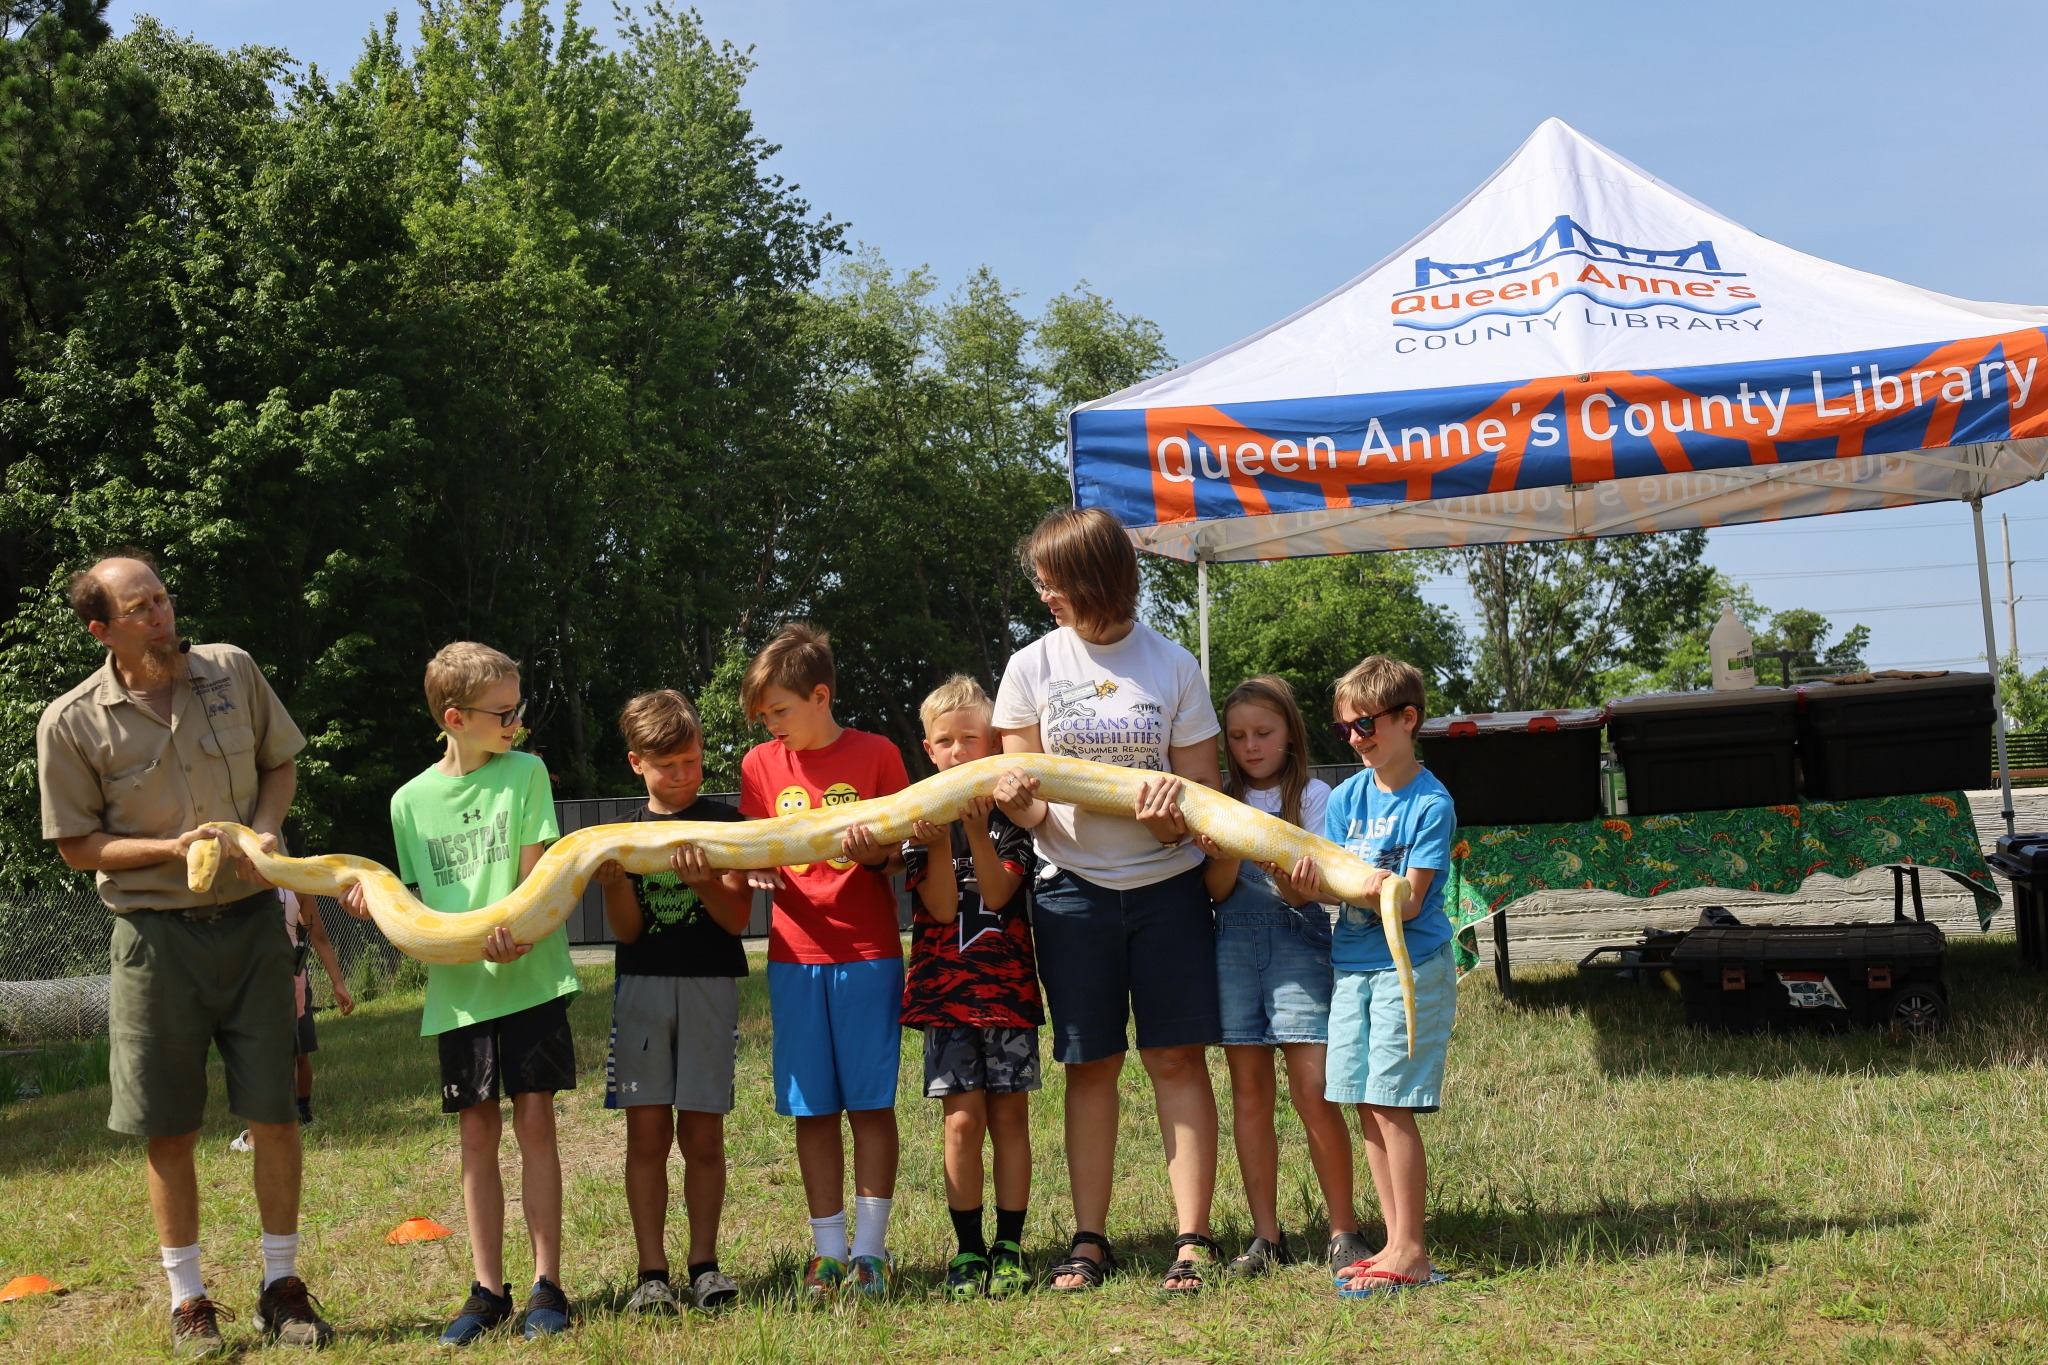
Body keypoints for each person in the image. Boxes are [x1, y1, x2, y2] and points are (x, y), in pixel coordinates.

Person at [35, 552, 333, 1354]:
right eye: (142, 607)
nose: (164, 614)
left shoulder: (230, 670)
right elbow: (76, 845)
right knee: (168, 1127)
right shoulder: (71, 721)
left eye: (163, 598)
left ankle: (282, 1285)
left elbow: (280, 762)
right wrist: (169, 848)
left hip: (251, 925)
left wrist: (266, 828)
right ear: (102, 628)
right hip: (154, 939)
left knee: (275, 1111)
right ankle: (189, 1301)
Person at [989, 507, 1226, 1294]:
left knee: (1174, 1058)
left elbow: (1206, 799)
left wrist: (1170, 828)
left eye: (1051, 579)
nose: (1043, 593)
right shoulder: (1030, 666)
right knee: (1090, 1063)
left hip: (1168, 891)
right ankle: (1089, 1238)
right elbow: (1026, 802)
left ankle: (1192, 1239)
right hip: (1071, 894)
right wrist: (1019, 799)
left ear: (1093, 576)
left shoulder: (1173, 667)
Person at [341, 642, 579, 1343]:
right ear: (454, 716)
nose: (517, 722)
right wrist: (371, 907)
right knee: (477, 1134)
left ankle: (547, 1284)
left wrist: (517, 927)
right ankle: (486, 1288)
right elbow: (414, 907)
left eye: (518, 707)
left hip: (529, 977)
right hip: (461, 995)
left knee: (536, 1123)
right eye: (504, 712)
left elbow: (536, 885)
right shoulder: (409, 801)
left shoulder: (526, 774)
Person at [731, 624, 910, 1302]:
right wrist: (754, 869)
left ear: (820, 694)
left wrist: (876, 855)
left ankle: (870, 1252)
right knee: (811, 1108)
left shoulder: (879, 754)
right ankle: (827, 1253)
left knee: (869, 1103)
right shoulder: (758, 766)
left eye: (779, 710)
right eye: (765, 717)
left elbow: (900, 855)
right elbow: (756, 848)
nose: (772, 726)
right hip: (793, 958)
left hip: (867, 955)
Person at [1276, 655, 1458, 1298]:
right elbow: (1330, 879)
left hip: (1411, 967)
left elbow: (1407, 902)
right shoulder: (1350, 796)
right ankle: (1393, 1241)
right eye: (1344, 729)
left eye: (1366, 725)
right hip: (1351, 965)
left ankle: (1410, 1247)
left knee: (1392, 1101)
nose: (1355, 739)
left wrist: (1349, 886)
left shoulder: (1431, 803)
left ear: (1407, 719)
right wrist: (1299, 881)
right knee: (1362, 1101)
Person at [1192, 675, 1363, 1279]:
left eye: (1263, 733)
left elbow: (1305, 895)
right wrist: (1228, 849)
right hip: (1231, 947)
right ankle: (1267, 1235)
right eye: (1237, 736)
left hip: (1298, 944)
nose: (1250, 747)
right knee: (1248, 1096)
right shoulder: (1216, 799)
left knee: (1313, 1090)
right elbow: (1214, 892)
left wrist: (1282, 867)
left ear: (1290, 732)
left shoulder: (1316, 797)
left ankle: (1343, 1229)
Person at [591, 689, 752, 1314]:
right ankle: (651, 1273)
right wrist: (611, 889)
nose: (683, 777)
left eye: (691, 761)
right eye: (667, 766)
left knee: (704, 1136)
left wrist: (703, 880)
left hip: (711, 987)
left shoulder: (726, 824)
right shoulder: (622, 836)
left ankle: (705, 1265)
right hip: (643, 990)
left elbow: (737, 919)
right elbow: (629, 932)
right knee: (647, 1137)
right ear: (638, 764)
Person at [898, 676, 1041, 1300]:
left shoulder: (1014, 815)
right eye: (945, 742)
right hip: (944, 996)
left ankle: (1010, 1243)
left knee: (1010, 1119)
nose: (958, 752)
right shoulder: (917, 818)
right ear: (929, 750)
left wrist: (978, 829)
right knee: (961, 1123)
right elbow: (935, 904)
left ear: (994, 745)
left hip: (1005, 992)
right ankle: (968, 1249)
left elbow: (1003, 891)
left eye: (970, 739)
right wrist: (934, 844)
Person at [230, 888, 354, 1152]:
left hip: (256, 978)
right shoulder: (297, 884)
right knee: (295, 1053)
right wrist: (338, 983)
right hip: (293, 976)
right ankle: (298, 1118)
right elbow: (318, 935)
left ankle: (259, 1135)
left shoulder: (238, 879)